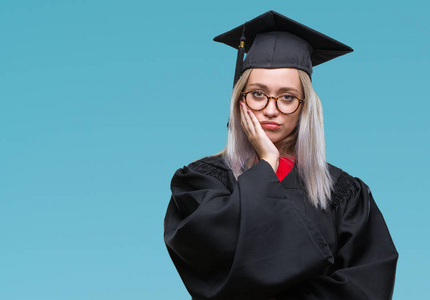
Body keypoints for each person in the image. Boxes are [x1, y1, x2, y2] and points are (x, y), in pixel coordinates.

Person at [163, 11, 398, 300]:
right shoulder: (202, 181)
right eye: (258, 94)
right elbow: (211, 259)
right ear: (240, 100)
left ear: (304, 107)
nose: (271, 109)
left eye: (287, 97)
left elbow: (366, 288)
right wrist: (267, 164)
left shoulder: (343, 194)